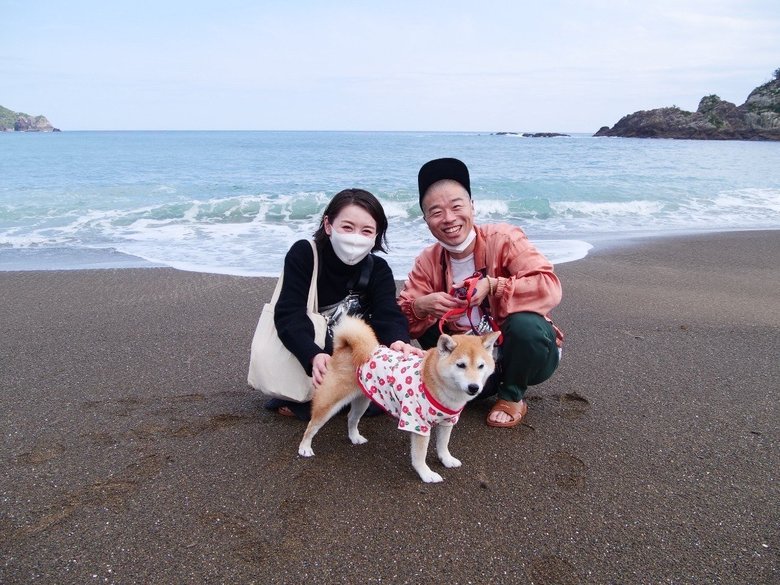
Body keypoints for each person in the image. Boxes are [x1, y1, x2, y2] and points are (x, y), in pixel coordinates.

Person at [397, 158, 563, 428]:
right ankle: (469, 388)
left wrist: (495, 286)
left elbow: (548, 286)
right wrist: (421, 306)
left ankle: (512, 395)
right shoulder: (427, 261)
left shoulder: (504, 239)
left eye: (456, 206)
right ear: (426, 219)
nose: (448, 218)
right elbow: (400, 318)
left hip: (520, 354)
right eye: (436, 211)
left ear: (472, 206)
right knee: (424, 322)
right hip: (468, 364)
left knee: (526, 326)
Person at [267, 188, 422, 420]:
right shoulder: (305, 254)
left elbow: (388, 313)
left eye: (366, 230)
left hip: (352, 354)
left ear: (376, 235)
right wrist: (313, 355)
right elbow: (289, 313)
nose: (356, 237)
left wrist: (398, 341)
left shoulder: (378, 269)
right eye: (347, 227)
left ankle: (343, 399)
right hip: (310, 346)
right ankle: (315, 397)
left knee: (383, 399)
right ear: (328, 225)